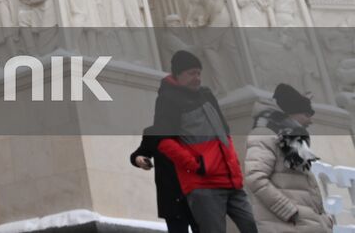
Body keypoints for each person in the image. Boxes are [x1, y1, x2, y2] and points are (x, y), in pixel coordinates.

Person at [154, 50, 258, 233]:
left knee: (252, 226)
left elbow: (225, 134)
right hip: (203, 185)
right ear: (178, 75)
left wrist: (233, 165)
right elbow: (163, 142)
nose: (197, 78)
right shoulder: (167, 99)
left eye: (199, 73)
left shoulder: (207, 95)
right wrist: (196, 165)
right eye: (191, 73)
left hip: (231, 180)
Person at [244, 84, 333, 232]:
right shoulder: (264, 134)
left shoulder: (291, 139)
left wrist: (323, 219)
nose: (310, 121)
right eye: (306, 114)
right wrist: (289, 211)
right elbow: (255, 178)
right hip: (287, 225)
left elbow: (305, 185)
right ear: (291, 113)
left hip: (304, 225)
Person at [131, 123, 196, 233]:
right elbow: (138, 153)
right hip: (171, 197)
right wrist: (139, 159)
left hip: (197, 194)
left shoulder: (192, 127)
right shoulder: (153, 132)